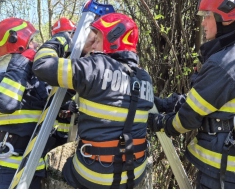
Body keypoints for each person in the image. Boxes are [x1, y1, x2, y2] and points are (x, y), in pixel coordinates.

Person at [148, 0, 235, 189]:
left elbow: (188, 118)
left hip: (221, 168)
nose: (203, 22)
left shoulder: (225, 63)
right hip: (230, 164)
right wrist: (165, 103)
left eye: (207, 15)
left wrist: (160, 122)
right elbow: (205, 101)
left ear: (225, 18)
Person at [32, 12, 154, 188]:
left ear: (112, 39)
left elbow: (42, 65)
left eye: (96, 39)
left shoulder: (95, 66)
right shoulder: (144, 78)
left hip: (93, 176)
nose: (92, 46)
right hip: (135, 174)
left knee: (66, 168)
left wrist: (63, 37)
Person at [0, 17, 58, 188]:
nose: (36, 45)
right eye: (32, 42)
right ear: (19, 45)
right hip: (7, 168)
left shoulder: (38, 79)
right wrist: (20, 63)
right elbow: (5, 103)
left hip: (37, 165)